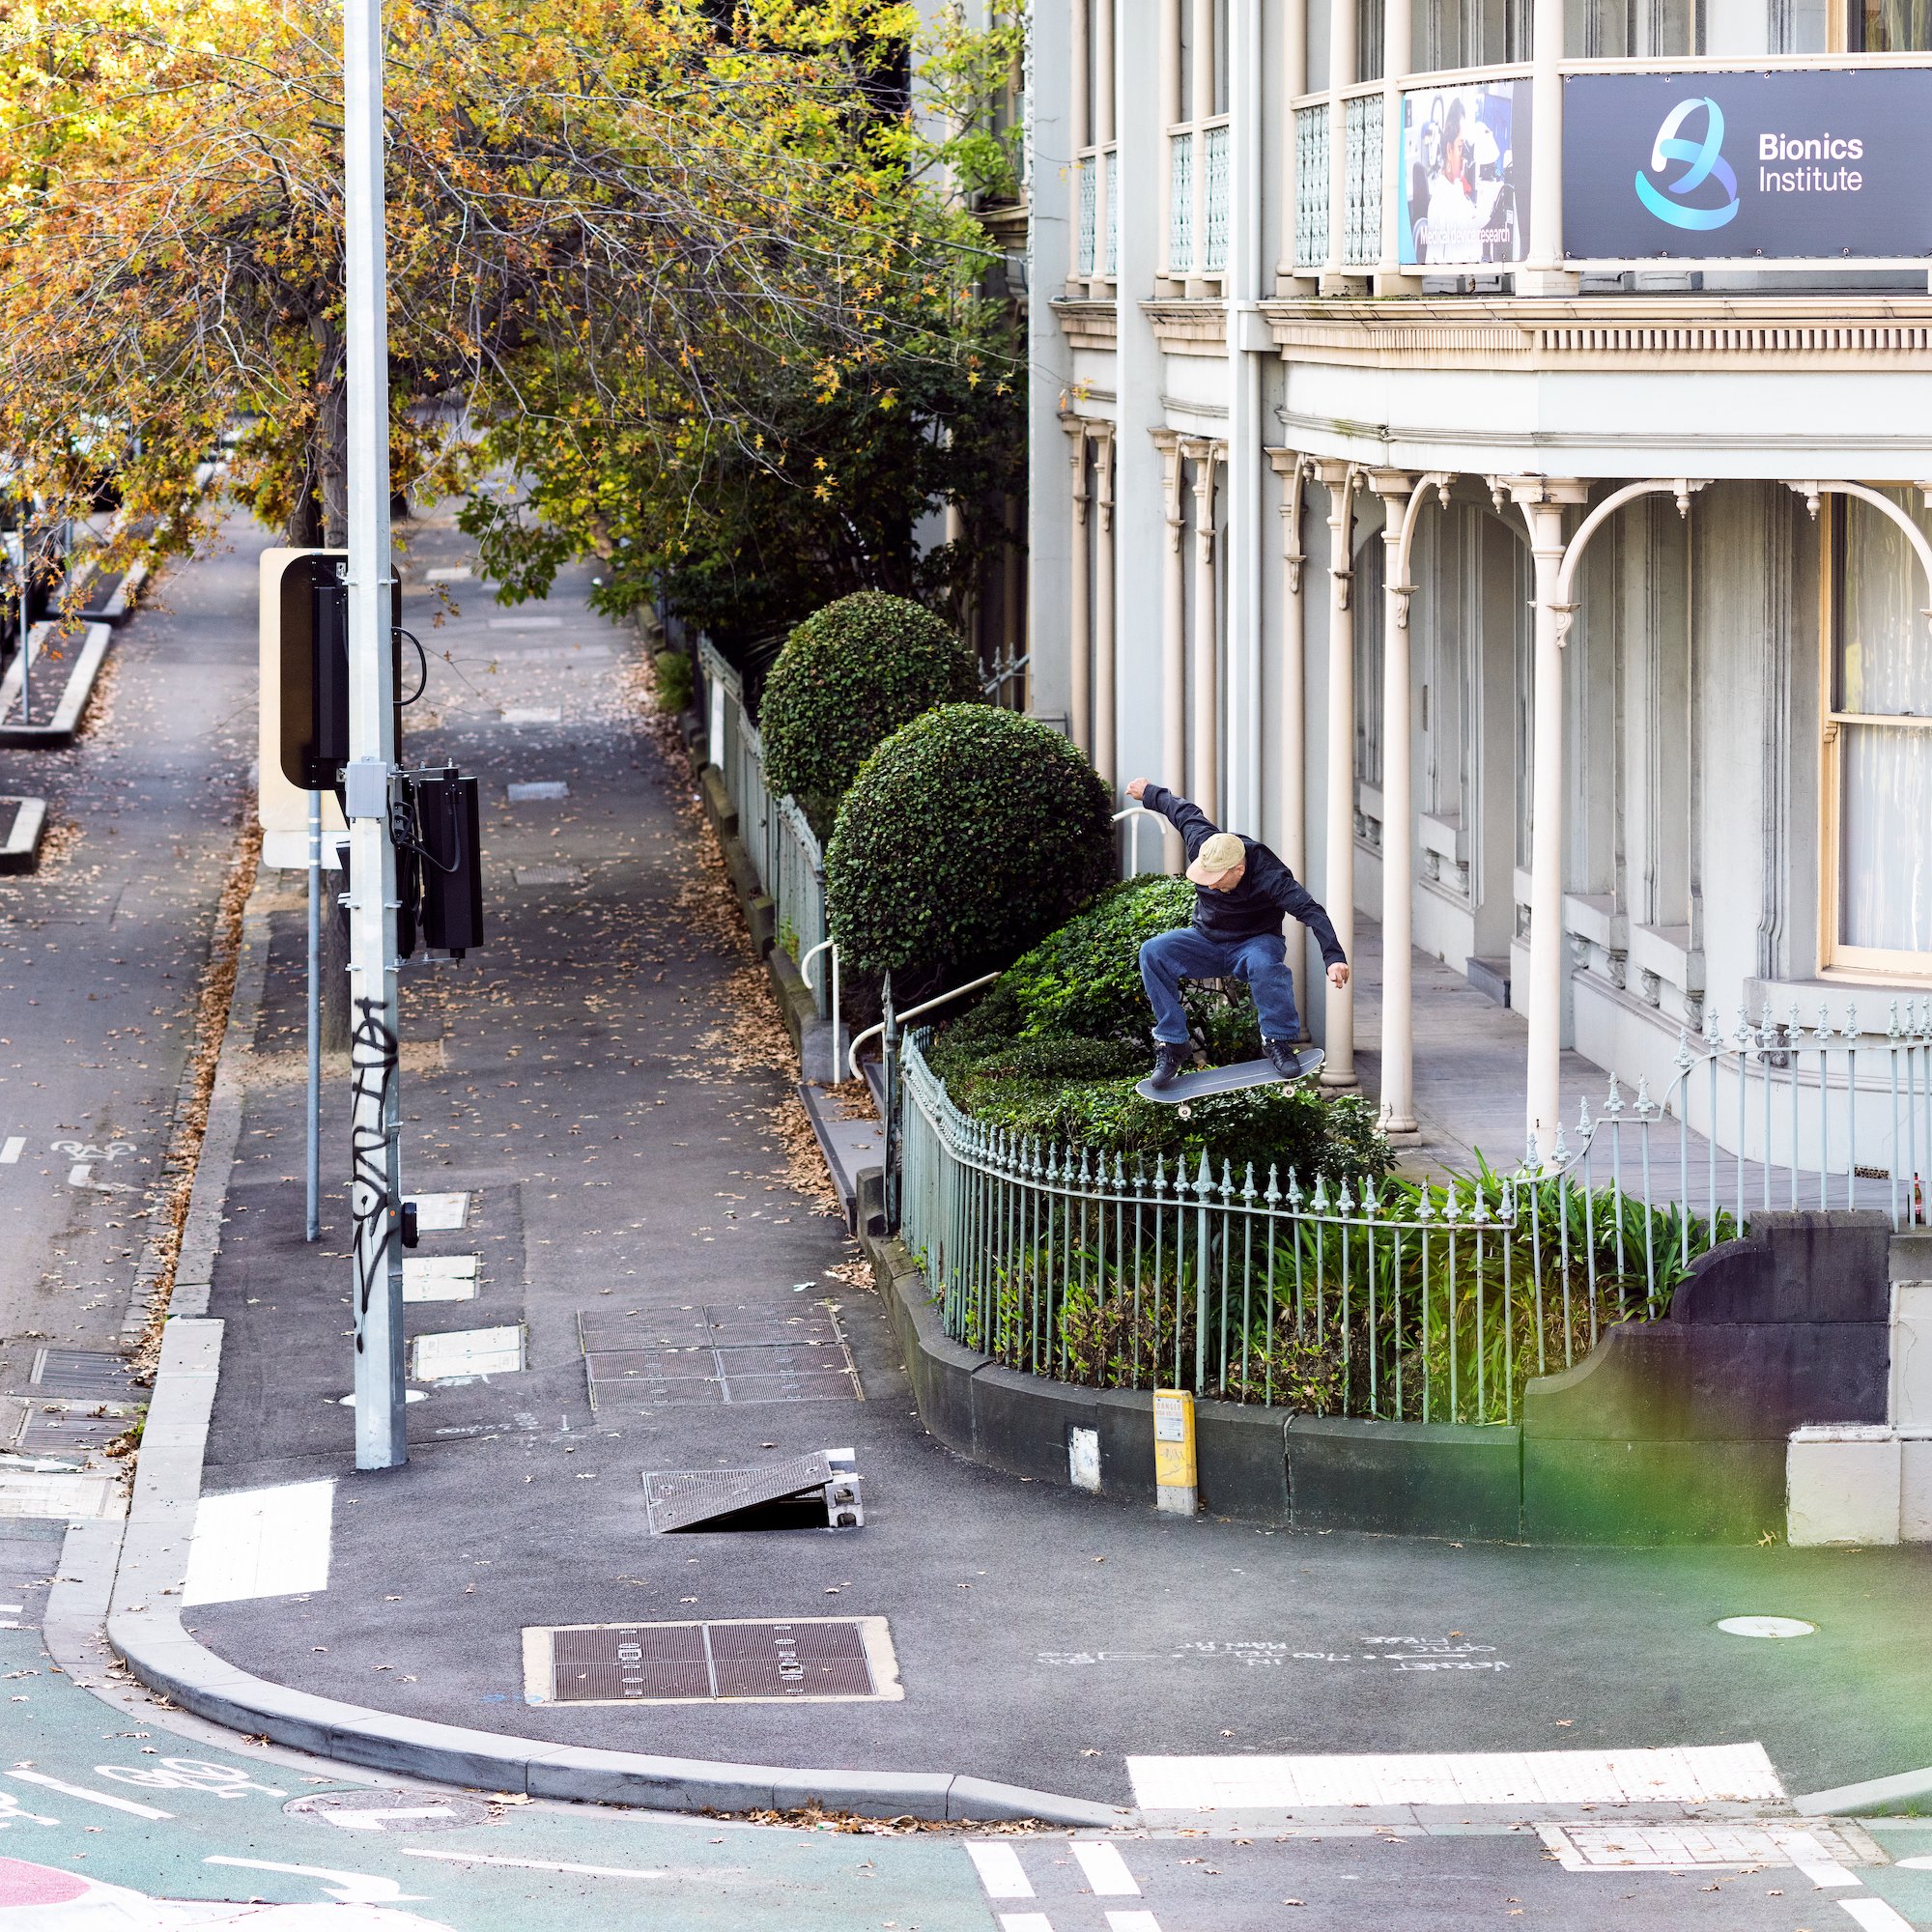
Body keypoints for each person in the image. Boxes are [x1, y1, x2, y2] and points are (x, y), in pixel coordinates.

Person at [1125, 777, 1350, 1090]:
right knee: (1153, 951)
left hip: (1255, 942)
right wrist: (1148, 791)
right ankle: (1173, 1043)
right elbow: (1182, 811)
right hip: (1207, 940)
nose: (1209, 885)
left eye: (1216, 880)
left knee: (1264, 963)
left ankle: (1277, 1040)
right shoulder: (1204, 843)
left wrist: (1334, 958)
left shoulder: (1271, 877)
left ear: (1239, 870)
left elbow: (1312, 911)